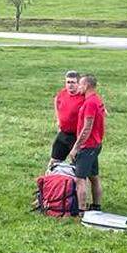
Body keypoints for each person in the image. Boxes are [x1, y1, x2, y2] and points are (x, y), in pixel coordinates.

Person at [67, 74, 105, 211]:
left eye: (81, 84)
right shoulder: (96, 100)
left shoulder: (90, 103)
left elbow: (87, 128)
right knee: (94, 177)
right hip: (95, 145)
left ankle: (81, 211)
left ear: (87, 86)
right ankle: (96, 206)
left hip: (88, 146)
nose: (78, 87)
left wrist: (76, 148)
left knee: (80, 179)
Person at [51, 70, 85, 166]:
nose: (70, 85)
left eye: (73, 82)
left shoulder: (84, 96)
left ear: (79, 83)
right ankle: (48, 180)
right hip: (63, 134)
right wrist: (58, 119)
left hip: (77, 136)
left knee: (80, 167)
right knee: (53, 162)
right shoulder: (63, 93)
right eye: (68, 82)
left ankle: (89, 181)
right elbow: (56, 100)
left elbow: (98, 108)